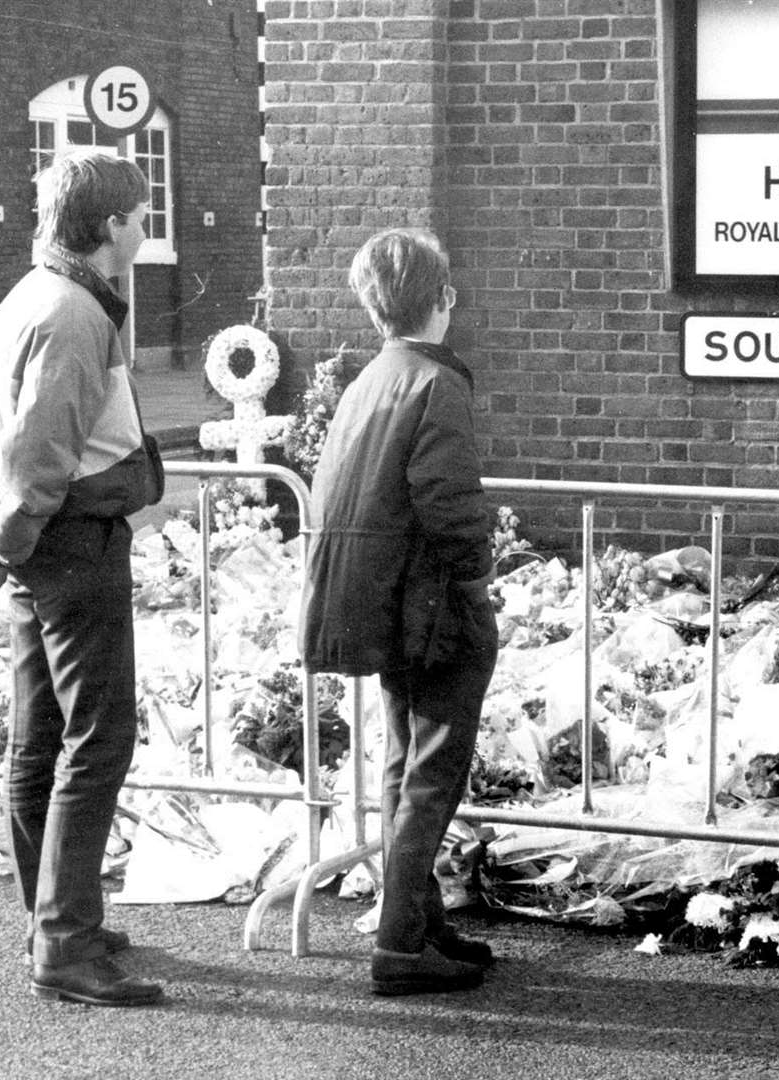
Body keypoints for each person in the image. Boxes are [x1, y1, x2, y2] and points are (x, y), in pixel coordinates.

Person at [0, 148, 165, 1007]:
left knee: (41, 737)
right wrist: (6, 543)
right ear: (110, 226)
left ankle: (53, 919)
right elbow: (41, 453)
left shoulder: (28, 296)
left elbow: (3, 447)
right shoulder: (76, 312)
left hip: (34, 543)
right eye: (141, 217)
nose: (146, 231)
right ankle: (67, 944)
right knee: (98, 738)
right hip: (68, 540)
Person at [301, 227, 499, 996]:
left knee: (400, 765)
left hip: (384, 602)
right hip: (436, 605)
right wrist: (481, 577)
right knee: (432, 773)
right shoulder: (436, 382)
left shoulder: (371, 378)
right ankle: (402, 943)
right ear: (443, 298)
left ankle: (420, 921)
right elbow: (450, 506)